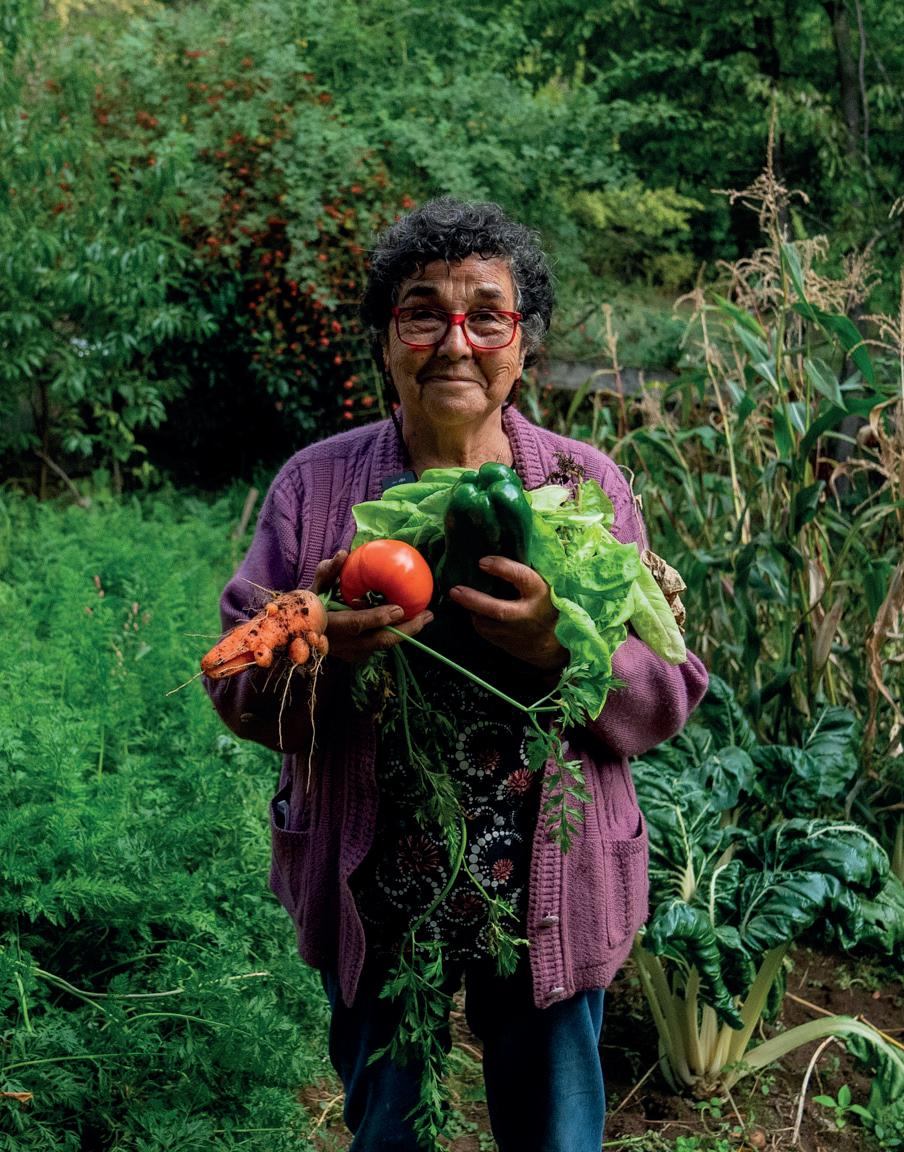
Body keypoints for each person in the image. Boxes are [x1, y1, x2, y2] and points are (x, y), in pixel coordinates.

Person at [206, 197, 709, 1151]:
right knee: (389, 1134)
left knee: (555, 1137)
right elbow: (237, 688)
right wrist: (324, 654)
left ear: (523, 344)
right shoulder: (316, 488)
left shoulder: (585, 487)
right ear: (385, 340)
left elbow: (671, 693)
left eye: (486, 316)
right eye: (422, 314)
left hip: (547, 892)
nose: (454, 343)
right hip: (377, 897)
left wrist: (565, 652)